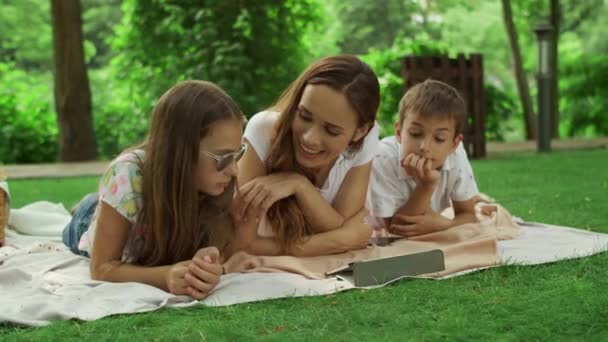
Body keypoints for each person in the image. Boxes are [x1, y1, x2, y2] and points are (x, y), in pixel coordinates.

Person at [62, 80, 247, 299]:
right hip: (88, 223)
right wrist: (165, 276)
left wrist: (209, 256)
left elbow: (230, 248)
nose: (234, 170)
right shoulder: (127, 174)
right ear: (180, 152)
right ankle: (91, 205)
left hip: (138, 222)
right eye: (223, 157)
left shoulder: (216, 183)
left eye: (237, 154)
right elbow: (101, 268)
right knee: (85, 214)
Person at [235, 55, 381, 256]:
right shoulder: (264, 129)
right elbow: (241, 243)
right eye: (304, 116)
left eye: (331, 130)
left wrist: (300, 186)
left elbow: (336, 225)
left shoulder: (367, 138)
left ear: (360, 131)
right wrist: (345, 239)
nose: (310, 139)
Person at [370, 79, 480, 238]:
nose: (424, 146)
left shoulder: (456, 155)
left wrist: (442, 225)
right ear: (399, 132)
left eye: (440, 138)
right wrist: (426, 185)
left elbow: (468, 216)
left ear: (454, 144)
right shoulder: (382, 157)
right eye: (415, 133)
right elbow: (397, 229)